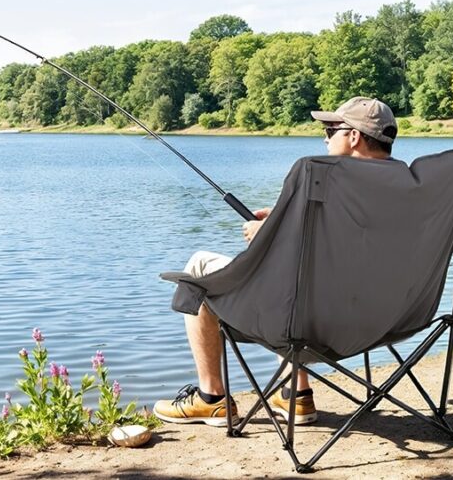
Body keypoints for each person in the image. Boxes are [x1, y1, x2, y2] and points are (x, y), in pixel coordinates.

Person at [153, 96, 400, 426]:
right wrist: (282, 219)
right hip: (388, 319)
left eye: (330, 129)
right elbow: (343, 242)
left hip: (315, 321)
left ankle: (211, 398)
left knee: (199, 267)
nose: (324, 137)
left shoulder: (321, 176)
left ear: (353, 136)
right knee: (301, 286)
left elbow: (294, 255)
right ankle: (295, 395)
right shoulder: (411, 189)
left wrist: (268, 233)